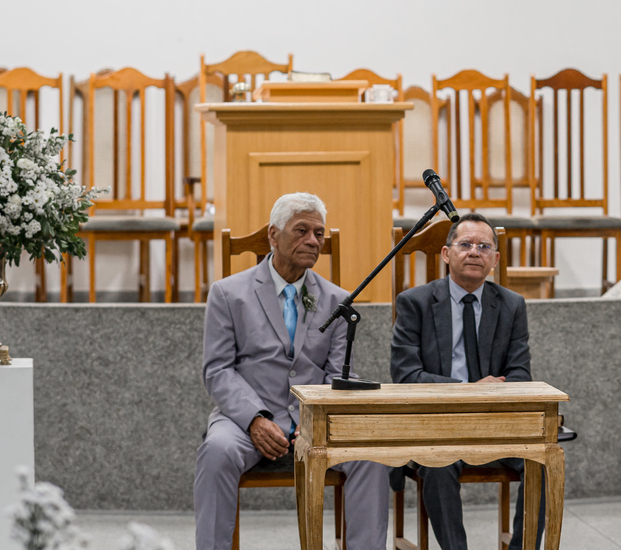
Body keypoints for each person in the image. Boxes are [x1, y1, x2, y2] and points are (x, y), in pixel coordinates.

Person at [193, 193, 389, 550]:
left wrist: (314, 417)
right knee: (217, 451)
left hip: (316, 418)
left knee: (371, 457)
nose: (313, 241)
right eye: (301, 230)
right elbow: (218, 370)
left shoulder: (338, 301)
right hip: (246, 418)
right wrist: (255, 419)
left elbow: (337, 372)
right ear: (274, 234)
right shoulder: (228, 294)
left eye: (319, 233)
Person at [390, 213, 540, 550]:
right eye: (465, 244)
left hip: (493, 422)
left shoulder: (512, 305)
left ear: (495, 260)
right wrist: (467, 390)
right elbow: (405, 376)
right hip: (438, 422)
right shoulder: (414, 303)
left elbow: (520, 374)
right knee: (438, 465)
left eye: (484, 247)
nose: (474, 252)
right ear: (447, 254)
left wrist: (491, 395)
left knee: (542, 462)